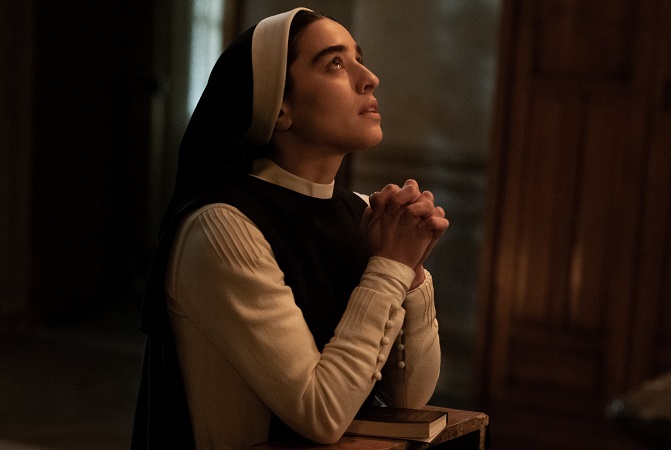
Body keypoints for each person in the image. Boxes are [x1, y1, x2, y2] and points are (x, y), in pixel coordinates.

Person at [132, 7, 448, 449]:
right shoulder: (223, 227)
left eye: (359, 58)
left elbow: (409, 397)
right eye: (335, 63)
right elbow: (321, 413)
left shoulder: (359, 212)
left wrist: (410, 271)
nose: (369, 78)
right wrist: (391, 265)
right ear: (280, 108)